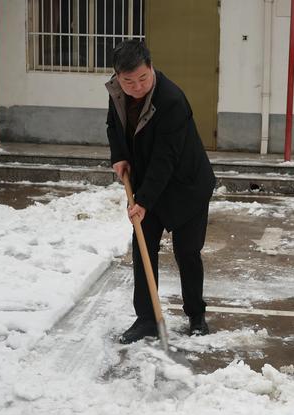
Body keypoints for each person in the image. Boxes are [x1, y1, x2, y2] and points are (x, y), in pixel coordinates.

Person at [106, 39, 216, 344]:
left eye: (143, 78)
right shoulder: (118, 93)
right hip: (149, 183)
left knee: (187, 252)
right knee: (143, 249)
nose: (137, 86)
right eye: (128, 81)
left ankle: (196, 315)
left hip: (186, 187)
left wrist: (142, 201)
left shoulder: (171, 101)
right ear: (117, 77)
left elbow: (165, 159)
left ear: (151, 68)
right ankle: (147, 319)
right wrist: (119, 155)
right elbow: (114, 126)